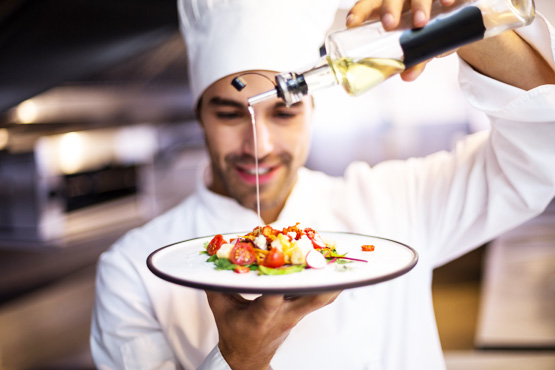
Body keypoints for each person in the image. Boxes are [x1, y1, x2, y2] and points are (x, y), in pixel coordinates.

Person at [90, 0, 555, 369]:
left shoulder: (393, 204)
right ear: (199, 116)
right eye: (230, 114)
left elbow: (542, 150)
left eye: (284, 111)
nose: (259, 144)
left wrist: (461, 24)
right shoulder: (133, 270)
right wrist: (241, 363)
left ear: (312, 109)